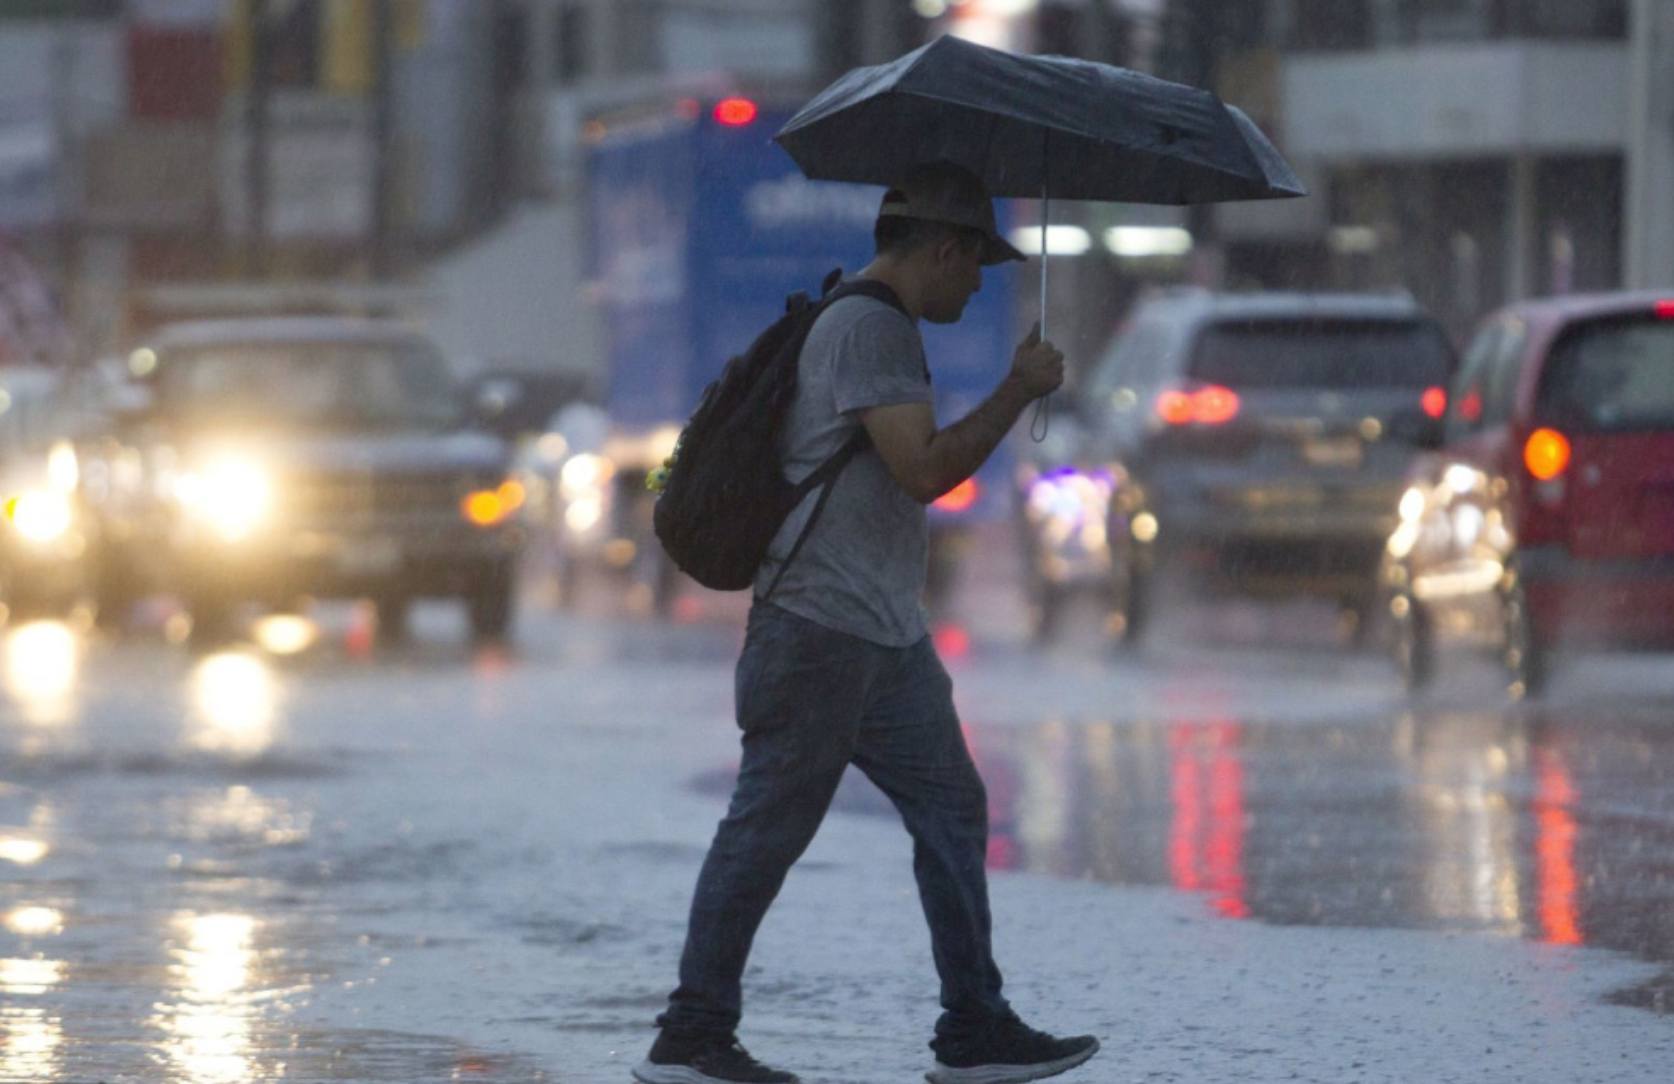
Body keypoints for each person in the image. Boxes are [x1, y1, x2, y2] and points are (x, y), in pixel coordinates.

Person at [634, 160, 1100, 1084]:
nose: (978, 284)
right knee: (767, 829)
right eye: (976, 266)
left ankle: (974, 1028)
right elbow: (922, 469)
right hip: (818, 631)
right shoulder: (868, 329)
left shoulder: (869, 325)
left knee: (953, 810)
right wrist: (1017, 390)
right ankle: (690, 1037)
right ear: (942, 248)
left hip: (882, 636)